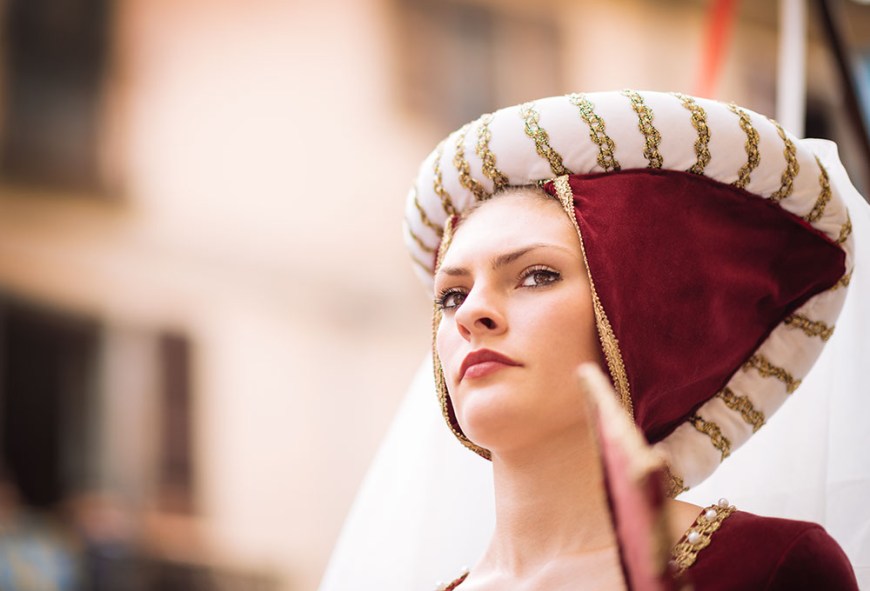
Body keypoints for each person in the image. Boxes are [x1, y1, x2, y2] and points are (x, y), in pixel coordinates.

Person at [319, 91, 868, 590]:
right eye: (452, 295)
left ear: (628, 312)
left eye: (536, 275)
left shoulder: (768, 568)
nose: (473, 314)